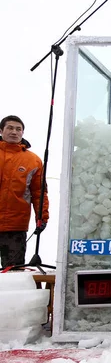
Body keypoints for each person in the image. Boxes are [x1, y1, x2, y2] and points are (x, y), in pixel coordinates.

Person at [0, 115, 49, 268]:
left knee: (13, 272)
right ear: (1, 131)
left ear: (22, 133)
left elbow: (39, 192)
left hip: (15, 226)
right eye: (10, 128)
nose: (14, 132)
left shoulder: (33, 161)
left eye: (18, 129)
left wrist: (42, 217)